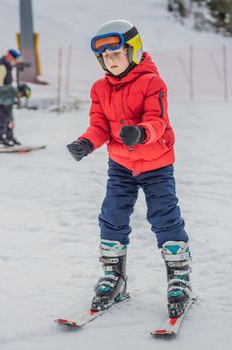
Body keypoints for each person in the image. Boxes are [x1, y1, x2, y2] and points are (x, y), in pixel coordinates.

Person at [66, 19, 194, 319]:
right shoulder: (100, 88)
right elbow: (99, 125)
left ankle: (179, 278)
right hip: (121, 165)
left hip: (156, 163)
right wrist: (87, 142)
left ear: (133, 51)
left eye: (117, 53)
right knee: (111, 214)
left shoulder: (152, 82)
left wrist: (140, 132)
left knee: (164, 216)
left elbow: (157, 120)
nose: (111, 60)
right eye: (106, 57)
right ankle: (115, 276)